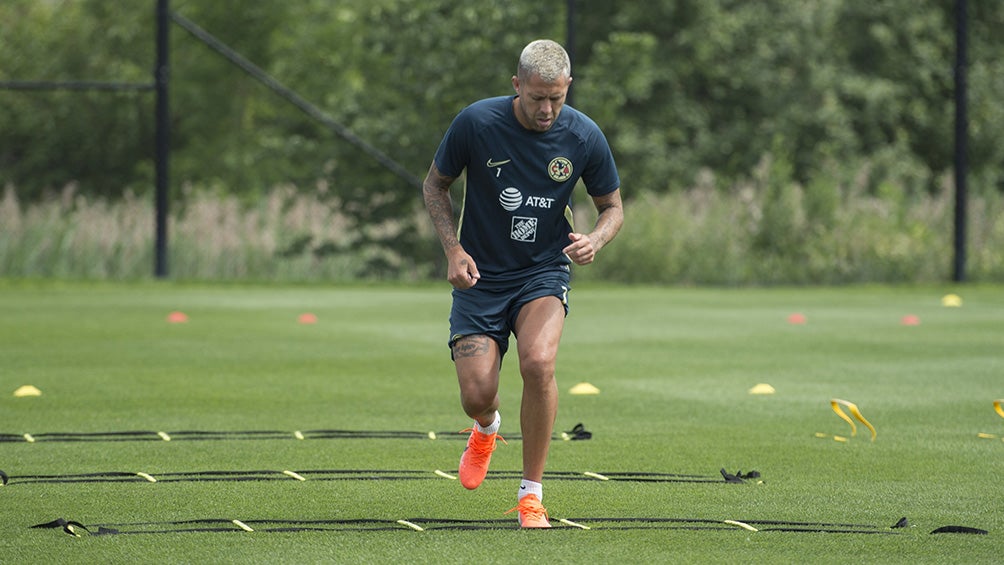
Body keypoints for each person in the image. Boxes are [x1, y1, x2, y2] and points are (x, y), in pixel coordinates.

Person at [422, 39, 623, 528]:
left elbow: (612, 207)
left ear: (568, 87)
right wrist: (453, 249)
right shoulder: (476, 123)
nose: (547, 109)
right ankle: (486, 427)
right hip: (481, 278)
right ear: (517, 86)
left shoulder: (584, 136)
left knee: (539, 362)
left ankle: (531, 494)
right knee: (476, 393)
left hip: (543, 272)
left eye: (557, 97)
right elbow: (435, 185)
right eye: (537, 97)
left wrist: (595, 239)